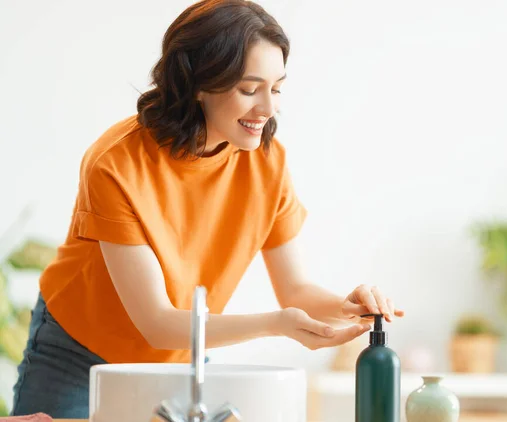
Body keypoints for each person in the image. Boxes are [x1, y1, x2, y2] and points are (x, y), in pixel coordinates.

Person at [10, 0, 404, 418]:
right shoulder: (116, 163)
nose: (269, 109)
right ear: (198, 83)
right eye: (250, 90)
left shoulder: (267, 162)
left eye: (277, 88)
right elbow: (157, 322)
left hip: (185, 356)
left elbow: (295, 291)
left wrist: (348, 305)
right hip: (77, 355)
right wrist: (275, 324)